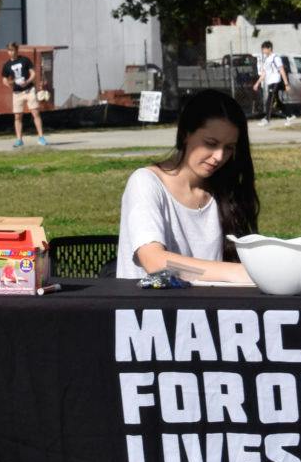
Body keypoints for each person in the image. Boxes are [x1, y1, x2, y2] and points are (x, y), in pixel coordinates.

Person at [117, 89, 257, 282]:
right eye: (210, 143)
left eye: (229, 148)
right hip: (150, 310)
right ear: (185, 133)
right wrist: (236, 272)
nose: (218, 157)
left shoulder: (223, 191)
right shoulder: (145, 183)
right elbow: (155, 262)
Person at [2, 42, 49, 148]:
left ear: (17, 50)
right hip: (17, 93)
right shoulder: (7, 65)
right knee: (17, 116)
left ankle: (41, 137)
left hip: (29, 90)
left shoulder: (24, 60)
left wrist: (27, 82)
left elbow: (33, 74)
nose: (11, 52)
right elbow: (4, 80)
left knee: (35, 113)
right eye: (9, 50)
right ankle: (19, 139)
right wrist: (11, 84)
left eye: (13, 50)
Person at [253, 40, 288, 124]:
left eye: (264, 49)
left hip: (276, 81)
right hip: (270, 82)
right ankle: (289, 115)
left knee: (269, 100)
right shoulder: (267, 59)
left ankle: (267, 119)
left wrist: (286, 83)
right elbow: (264, 73)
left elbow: (281, 70)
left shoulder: (275, 58)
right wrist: (257, 83)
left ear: (269, 48)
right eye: (262, 49)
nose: (263, 51)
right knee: (277, 102)